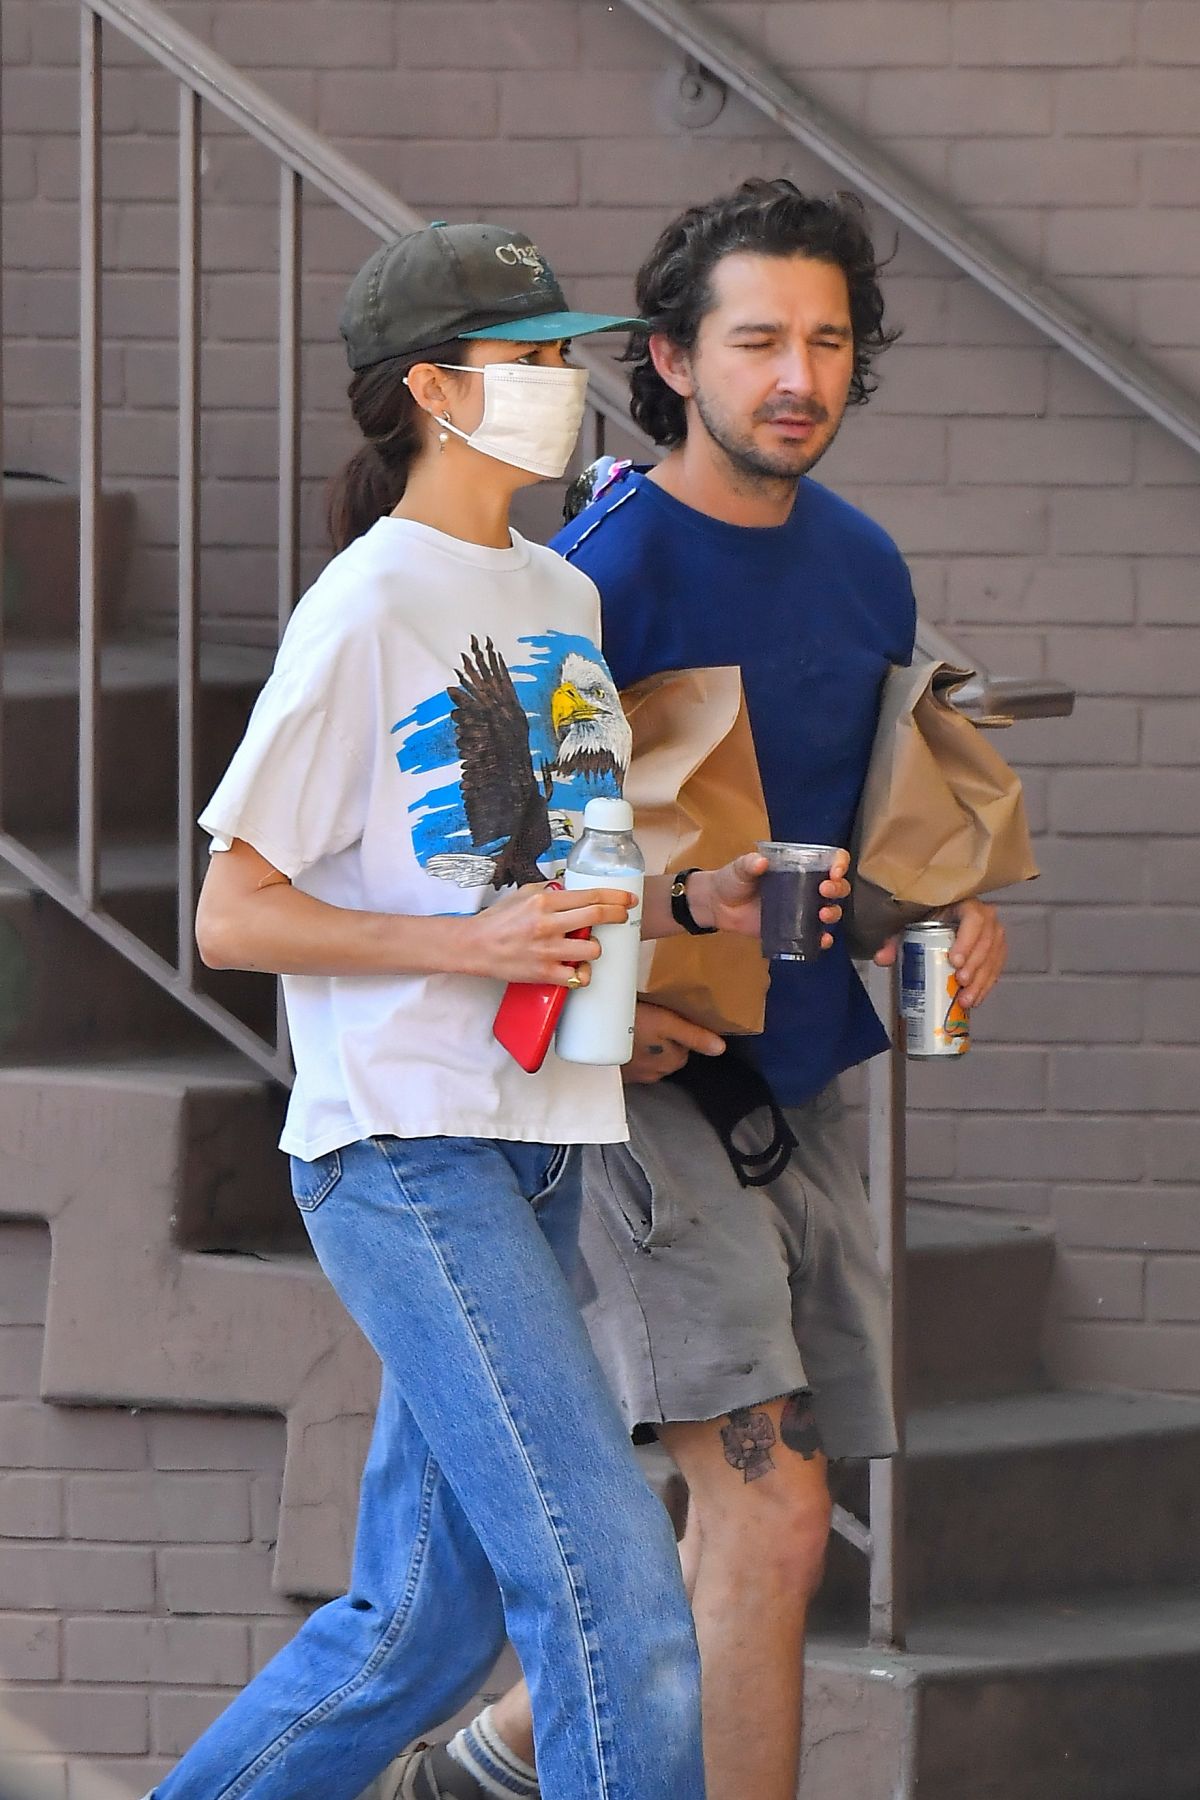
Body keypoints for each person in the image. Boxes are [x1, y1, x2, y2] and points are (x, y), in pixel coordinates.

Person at [147, 222, 818, 1800]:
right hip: (408, 1153)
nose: (563, 386)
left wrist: (683, 908)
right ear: (437, 392)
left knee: (417, 1637)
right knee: (622, 1598)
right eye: (527, 361)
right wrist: (472, 954)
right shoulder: (368, 605)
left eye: (559, 357)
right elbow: (232, 913)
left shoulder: (560, 596)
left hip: (539, 1147)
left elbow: (529, 874)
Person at [388, 181, 1008, 1800]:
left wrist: (931, 915)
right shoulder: (587, 577)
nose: (796, 373)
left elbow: (850, 830)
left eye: (826, 339)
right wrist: (628, 977)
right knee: (772, 1508)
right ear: (669, 359)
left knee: (736, 1524)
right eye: (756, 341)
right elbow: (488, 868)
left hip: (804, 1081)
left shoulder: (865, 567)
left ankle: (484, 1766)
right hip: (639, 1090)